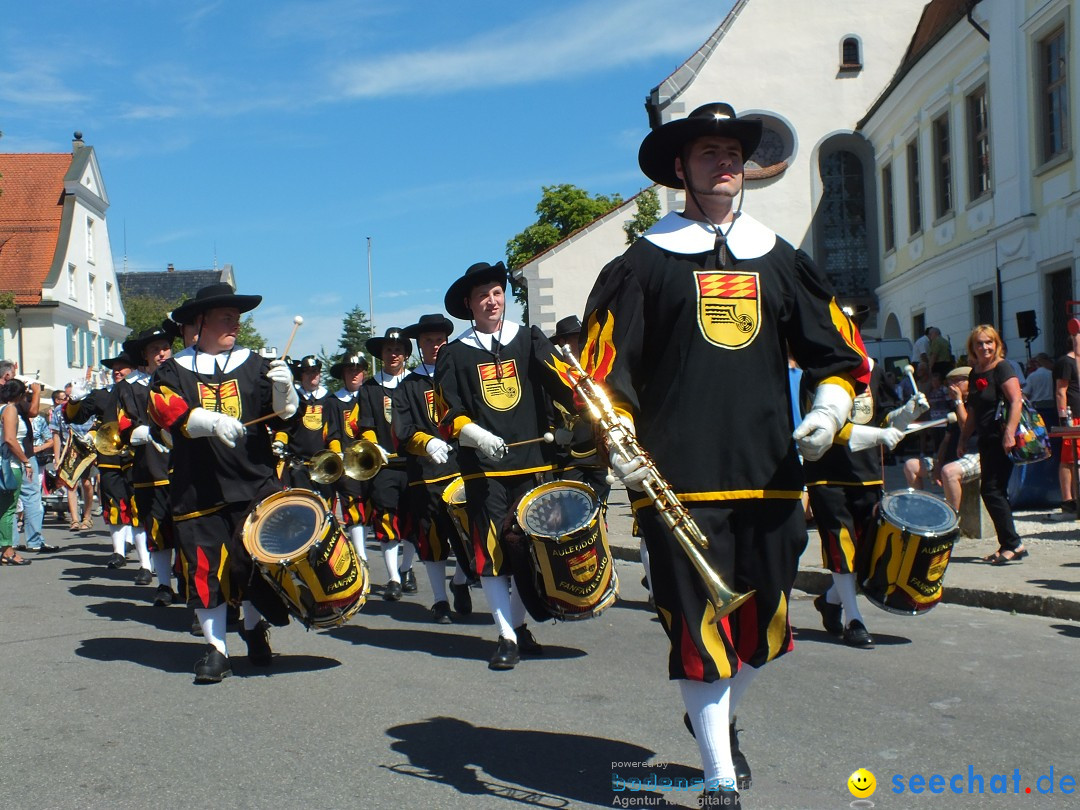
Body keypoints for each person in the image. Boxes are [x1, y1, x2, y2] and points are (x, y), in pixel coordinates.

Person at [580, 102, 869, 806]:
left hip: (771, 475)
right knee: (696, 627)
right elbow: (601, 373)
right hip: (678, 482)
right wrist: (617, 442)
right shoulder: (642, 264)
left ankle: (713, 715)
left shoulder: (779, 258)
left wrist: (830, 409)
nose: (724, 163)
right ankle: (717, 774)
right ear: (680, 169)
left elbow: (839, 354)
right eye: (708, 152)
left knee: (762, 626)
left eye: (733, 152)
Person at [149, 282, 299, 683]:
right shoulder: (172, 370)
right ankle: (216, 648)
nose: (234, 322)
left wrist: (286, 388)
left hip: (254, 483)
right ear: (200, 322)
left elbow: (285, 417)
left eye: (237, 316)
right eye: (225, 317)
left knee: (253, 564)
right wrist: (210, 422)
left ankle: (253, 628)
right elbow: (165, 411)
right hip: (197, 487)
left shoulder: (256, 365)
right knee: (204, 568)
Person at [435, 261, 577, 671]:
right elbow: (446, 414)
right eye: (482, 295)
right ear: (469, 304)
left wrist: (593, 412)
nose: (491, 301)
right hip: (484, 471)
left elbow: (563, 385)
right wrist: (476, 435)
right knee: (493, 553)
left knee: (533, 549)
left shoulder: (529, 339)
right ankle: (506, 635)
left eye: (496, 292)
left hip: (532, 463)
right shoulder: (454, 353)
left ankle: (518, 622)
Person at [394, 313, 474, 623]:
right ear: (419, 345)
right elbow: (402, 430)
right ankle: (440, 600)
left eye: (440, 339)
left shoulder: (460, 376)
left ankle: (460, 581)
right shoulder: (408, 386)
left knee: (469, 535)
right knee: (433, 539)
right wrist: (426, 443)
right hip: (426, 476)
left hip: (463, 469)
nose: (436, 345)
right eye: (428, 340)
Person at [117, 322, 181, 600]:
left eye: (166, 347)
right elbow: (122, 423)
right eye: (155, 349)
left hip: (186, 467)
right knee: (158, 531)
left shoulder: (186, 376)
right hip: (150, 469)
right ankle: (164, 585)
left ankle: (193, 591)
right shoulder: (131, 388)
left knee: (190, 533)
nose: (162, 353)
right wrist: (138, 433)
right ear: (145, 355)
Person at [957, 325, 1026, 565]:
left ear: (997, 344)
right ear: (972, 347)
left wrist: (1009, 432)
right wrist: (963, 438)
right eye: (980, 343)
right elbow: (974, 410)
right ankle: (1008, 543)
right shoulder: (976, 372)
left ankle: (1013, 544)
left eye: (989, 342)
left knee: (992, 490)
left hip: (1001, 439)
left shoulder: (1002, 367)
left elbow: (1016, 400)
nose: (985, 347)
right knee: (995, 491)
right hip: (986, 439)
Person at [66, 352, 139, 567]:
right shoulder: (102, 395)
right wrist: (74, 399)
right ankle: (119, 551)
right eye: (115, 367)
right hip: (110, 457)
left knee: (138, 503)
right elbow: (76, 417)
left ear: (133, 369)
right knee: (114, 501)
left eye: (123, 367)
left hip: (139, 456)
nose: (117, 371)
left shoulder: (143, 389)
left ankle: (142, 552)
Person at [360, 328, 417, 601]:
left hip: (414, 465)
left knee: (413, 521)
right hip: (385, 467)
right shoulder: (370, 387)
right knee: (386, 520)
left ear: (405, 354)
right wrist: (376, 447)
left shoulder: (415, 383)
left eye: (398, 350)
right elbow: (366, 424)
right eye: (387, 350)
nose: (393, 354)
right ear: (381, 355)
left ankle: (406, 569)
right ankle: (393, 578)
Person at [902, 366, 979, 511]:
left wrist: (958, 401)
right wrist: (938, 462)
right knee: (910, 465)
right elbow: (946, 439)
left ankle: (952, 519)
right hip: (953, 458)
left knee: (949, 472)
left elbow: (966, 429)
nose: (952, 386)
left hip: (974, 454)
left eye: (957, 381)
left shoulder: (976, 403)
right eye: (950, 382)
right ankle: (919, 510)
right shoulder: (954, 407)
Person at [273, 355, 339, 499]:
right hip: (299, 466)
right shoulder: (295, 398)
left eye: (315, 371)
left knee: (326, 507)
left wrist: (337, 453)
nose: (313, 375)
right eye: (308, 372)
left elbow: (334, 431)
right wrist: (280, 441)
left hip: (324, 464)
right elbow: (286, 426)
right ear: (301, 375)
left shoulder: (330, 399)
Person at [327, 351, 370, 561]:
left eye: (358, 370)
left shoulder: (371, 395)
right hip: (348, 464)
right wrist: (337, 452)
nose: (354, 374)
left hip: (372, 461)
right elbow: (332, 431)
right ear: (342, 374)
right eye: (349, 370)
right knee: (353, 508)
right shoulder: (333, 401)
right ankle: (361, 556)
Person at [49, 386, 96, 530]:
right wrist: (57, 457)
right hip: (68, 450)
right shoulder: (59, 410)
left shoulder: (90, 408)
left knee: (87, 483)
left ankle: (87, 516)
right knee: (71, 484)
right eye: (66, 397)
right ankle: (74, 519)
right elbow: (56, 434)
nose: (68, 399)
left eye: (71, 396)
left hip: (87, 450)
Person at [1, 380, 35, 566]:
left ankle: (5, 549)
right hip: (9, 465)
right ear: (20, 395)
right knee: (8, 510)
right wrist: (26, 461)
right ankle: (7, 551)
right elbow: (10, 439)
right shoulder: (10, 409)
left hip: (3, 463)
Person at [1054, 329, 1080, 517]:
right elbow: (1060, 391)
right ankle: (1068, 500)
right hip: (1074, 415)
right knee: (1069, 459)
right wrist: (1064, 418)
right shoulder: (1066, 362)